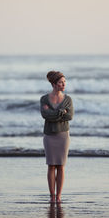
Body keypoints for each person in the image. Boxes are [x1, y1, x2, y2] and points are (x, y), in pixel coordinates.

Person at [40, 71, 74, 203]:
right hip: (49, 135)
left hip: (63, 135)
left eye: (64, 81)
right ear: (54, 84)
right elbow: (45, 115)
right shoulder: (44, 98)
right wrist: (61, 112)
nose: (64, 84)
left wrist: (53, 113)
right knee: (51, 166)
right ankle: (52, 196)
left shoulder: (68, 99)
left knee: (61, 166)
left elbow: (69, 116)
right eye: (60, 82)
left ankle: (58, 196)